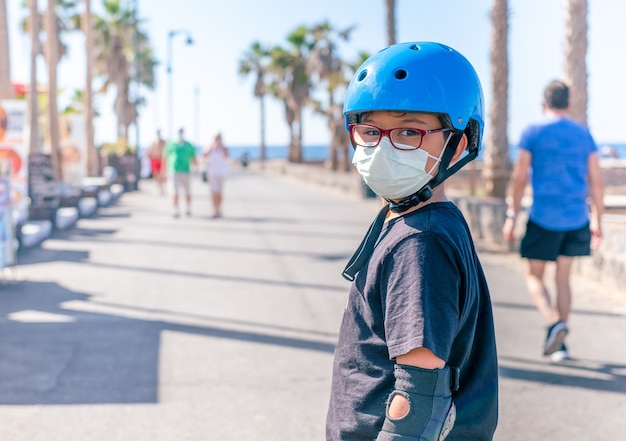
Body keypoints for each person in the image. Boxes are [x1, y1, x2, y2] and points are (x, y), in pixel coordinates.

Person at [326, 42, 498, 441]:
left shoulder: (419, 243)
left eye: (408, 132)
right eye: (370, 131)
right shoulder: (417, 222)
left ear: (458, 142)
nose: (383, 147)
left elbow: (415, 406)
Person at [503, 80, 605, 362]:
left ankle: (553, 322)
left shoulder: (532, 132)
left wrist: (512, 216)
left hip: (543, 218)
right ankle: (560, 347)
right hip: (576, 218)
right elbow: (596, 181)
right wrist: (597, 219)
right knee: (563, 279)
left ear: (543, 104)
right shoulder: (584, 134)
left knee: (534, 275)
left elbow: (520, 177)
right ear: (569, 104)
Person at [163, 127, 197, 217]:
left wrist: (197, 169)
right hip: (174, 171)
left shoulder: (188, 145)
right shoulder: (171, 144)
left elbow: (193, 158)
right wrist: (164, 171)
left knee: (188, 192)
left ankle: (188, 208)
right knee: (174, 191)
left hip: (186, 171)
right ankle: (175, 209)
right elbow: (165, 158)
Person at [202, 132, 230, 218]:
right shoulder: (211, 147)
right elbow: (204, 155)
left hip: (221, 172)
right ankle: (214, 210)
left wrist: (221, 147)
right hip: (212, 173)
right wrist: (211, 146)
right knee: (213, 192)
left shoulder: (223, 147)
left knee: (220, 193)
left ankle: (219, 209)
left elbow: (226, 155)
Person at [146, 129, 166, 194]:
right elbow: (151, 150)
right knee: (156, 174)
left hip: (161, 159)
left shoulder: (163, 141)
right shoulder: (154, 141)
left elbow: (166, 149)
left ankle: (162, 187)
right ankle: (158, 187)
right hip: (154, 159)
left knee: (162, 174)